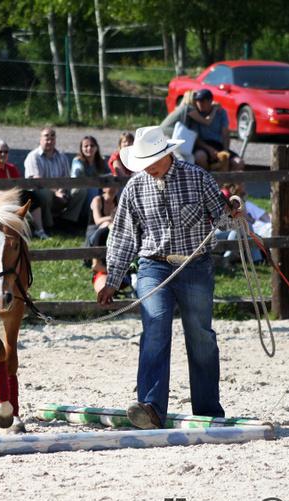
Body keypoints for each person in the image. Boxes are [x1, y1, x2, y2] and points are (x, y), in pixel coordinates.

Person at [97, 125, 240, 430]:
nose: (146, 167)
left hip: (195, 265)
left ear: (167, 154)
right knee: (155, 327)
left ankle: (208, 410)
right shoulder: (135, 188)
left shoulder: (198, 178)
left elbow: (224, 221)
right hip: (153, 265)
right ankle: (150, 407)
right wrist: (113, 279)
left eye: (151, 161)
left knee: (200, 336)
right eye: (143, 162)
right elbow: (123, 236)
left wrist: (233, 212)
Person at [0, 138, 47, 239]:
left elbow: (19, 186)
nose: (3, 154)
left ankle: (39, 230)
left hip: (9, 196)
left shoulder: (11, 168)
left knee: (31, 198)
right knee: (11, 201)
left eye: (6, 152)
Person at [24, 126, 89, 231]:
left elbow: (66, 178)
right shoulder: (33, 156)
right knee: (44, 193)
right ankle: (48, 225)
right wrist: (55, 192)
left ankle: (67, 222)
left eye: (52, 137)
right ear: (40, 139)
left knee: (81, 190)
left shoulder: (62, 157)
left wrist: (62, 191)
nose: (50, 141)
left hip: (60, 192)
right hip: (42, 193)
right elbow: (37, 180)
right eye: (46, 137)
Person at [190, 89, 244, 172]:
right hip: (203, 145)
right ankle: (206, 178)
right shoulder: (195, 114)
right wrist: (209, 149)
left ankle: (227, 180)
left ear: (210, 101)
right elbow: (195, 138)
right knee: (200, 157)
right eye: (197, 101)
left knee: (238, 162)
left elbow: (225, 134)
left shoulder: (221, 112)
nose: (199, 103)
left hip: (218, 145)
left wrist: (225, 150)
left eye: (202, 101)